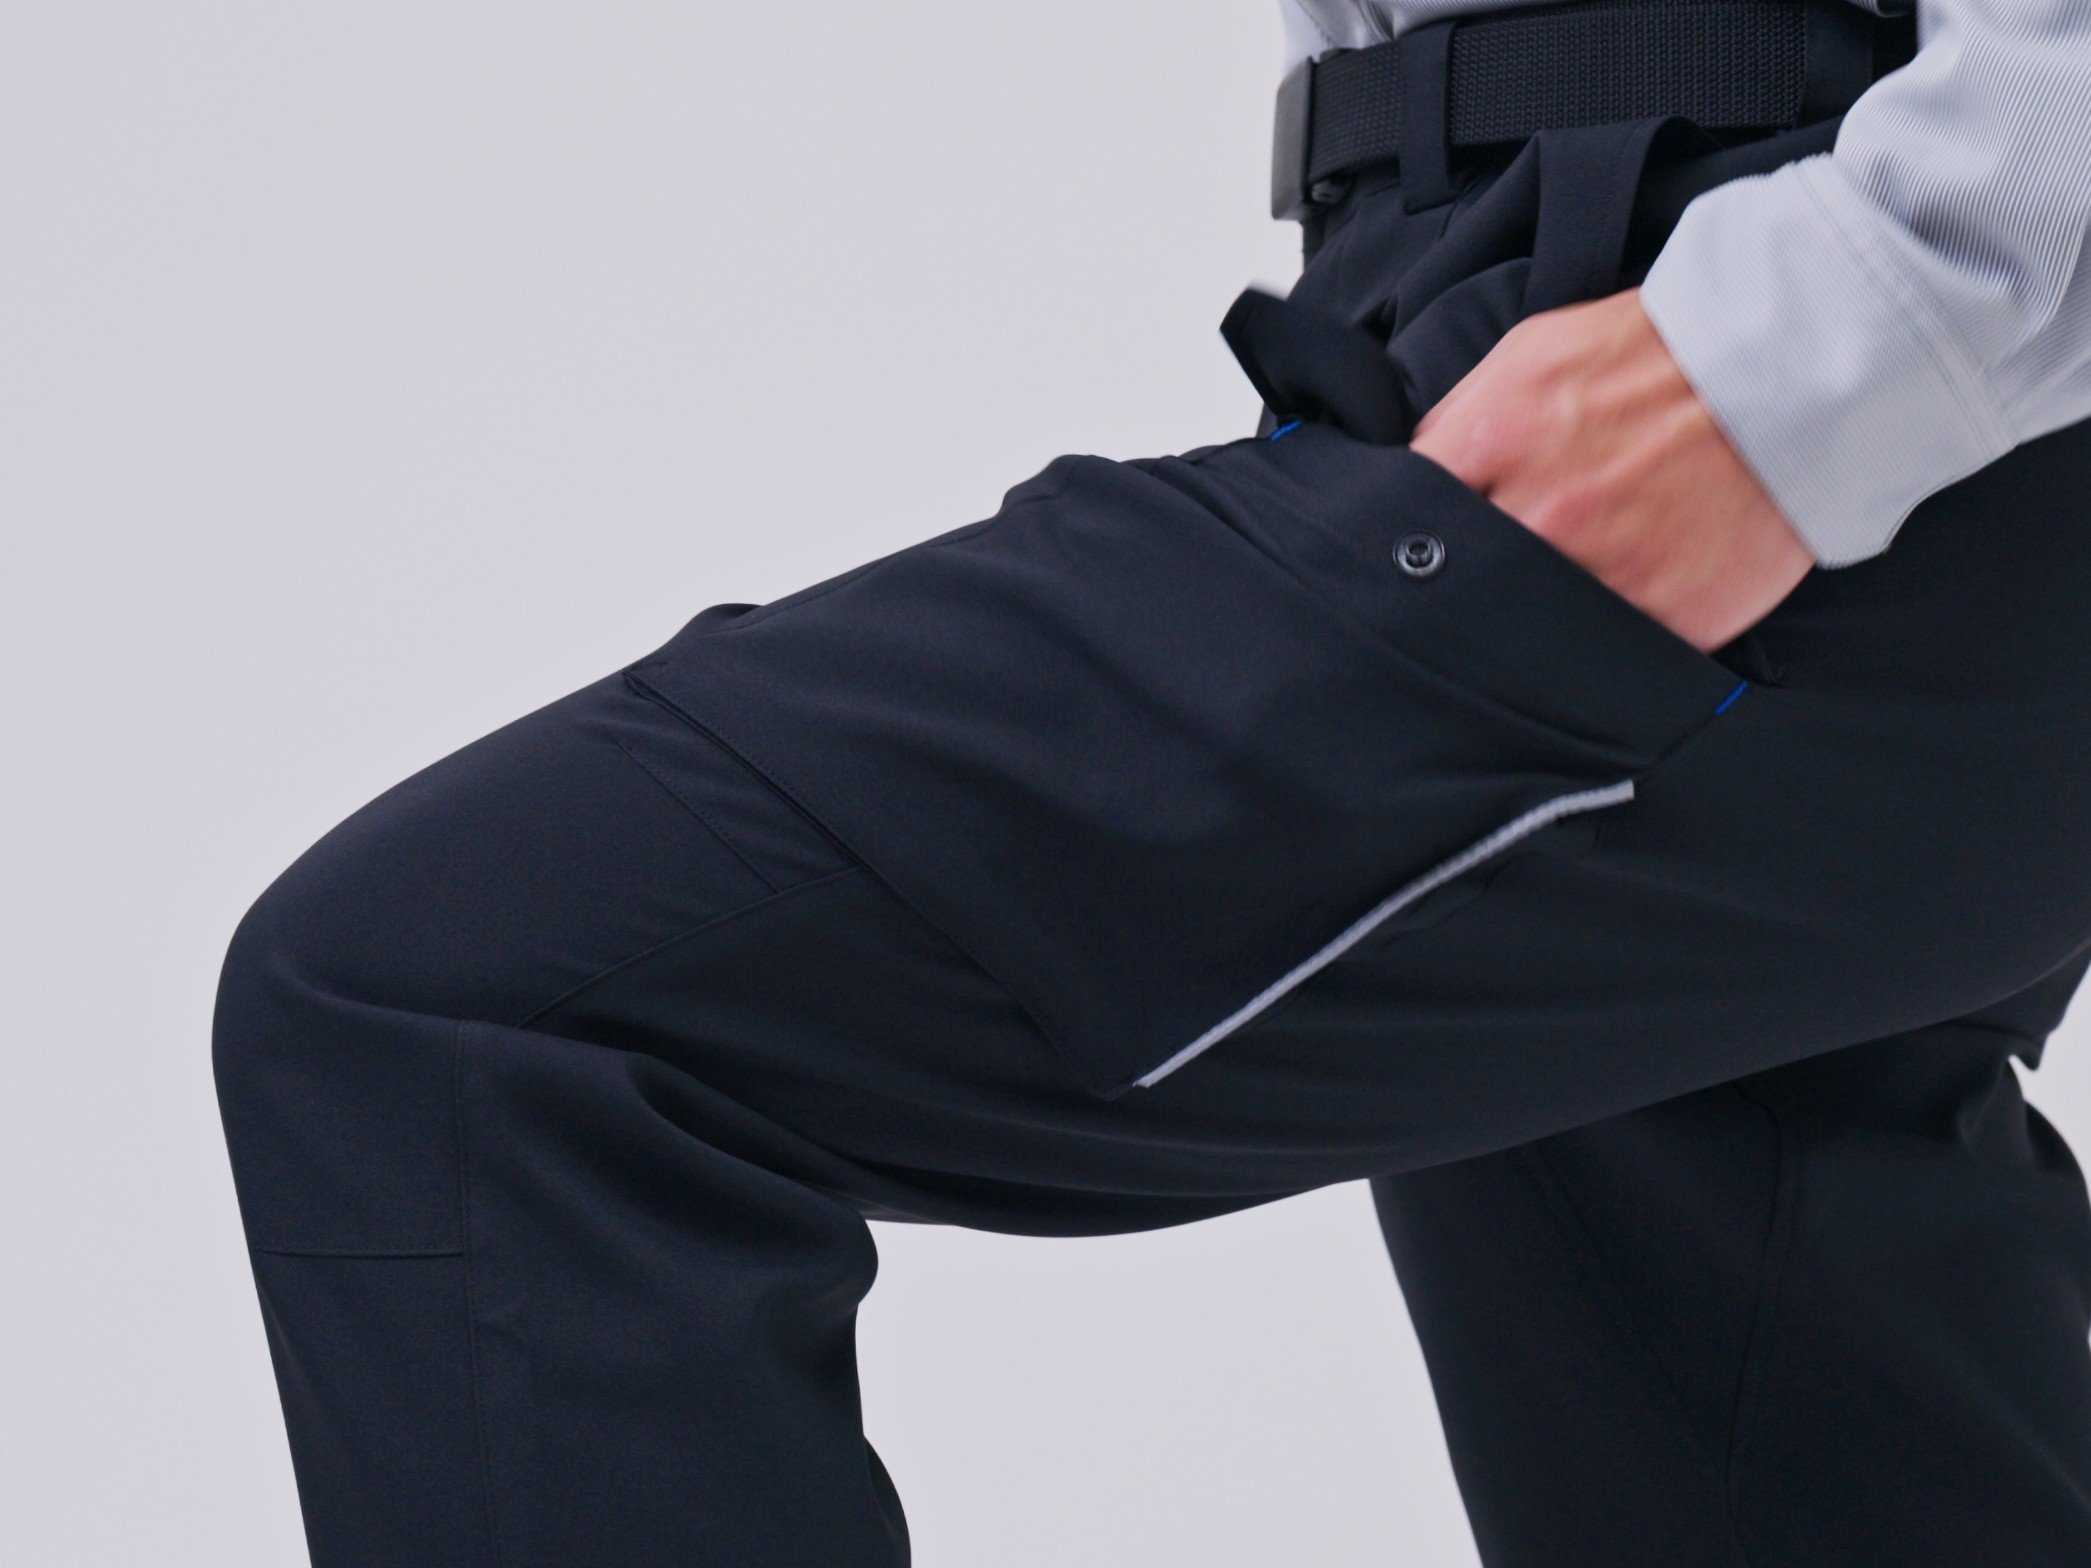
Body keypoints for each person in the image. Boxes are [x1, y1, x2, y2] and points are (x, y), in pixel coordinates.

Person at [212, 0, 2091, 1562]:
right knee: (1781, 1420)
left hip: (1796, 313)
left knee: (478, 1015)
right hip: (1599, 300)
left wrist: (1830, 337)